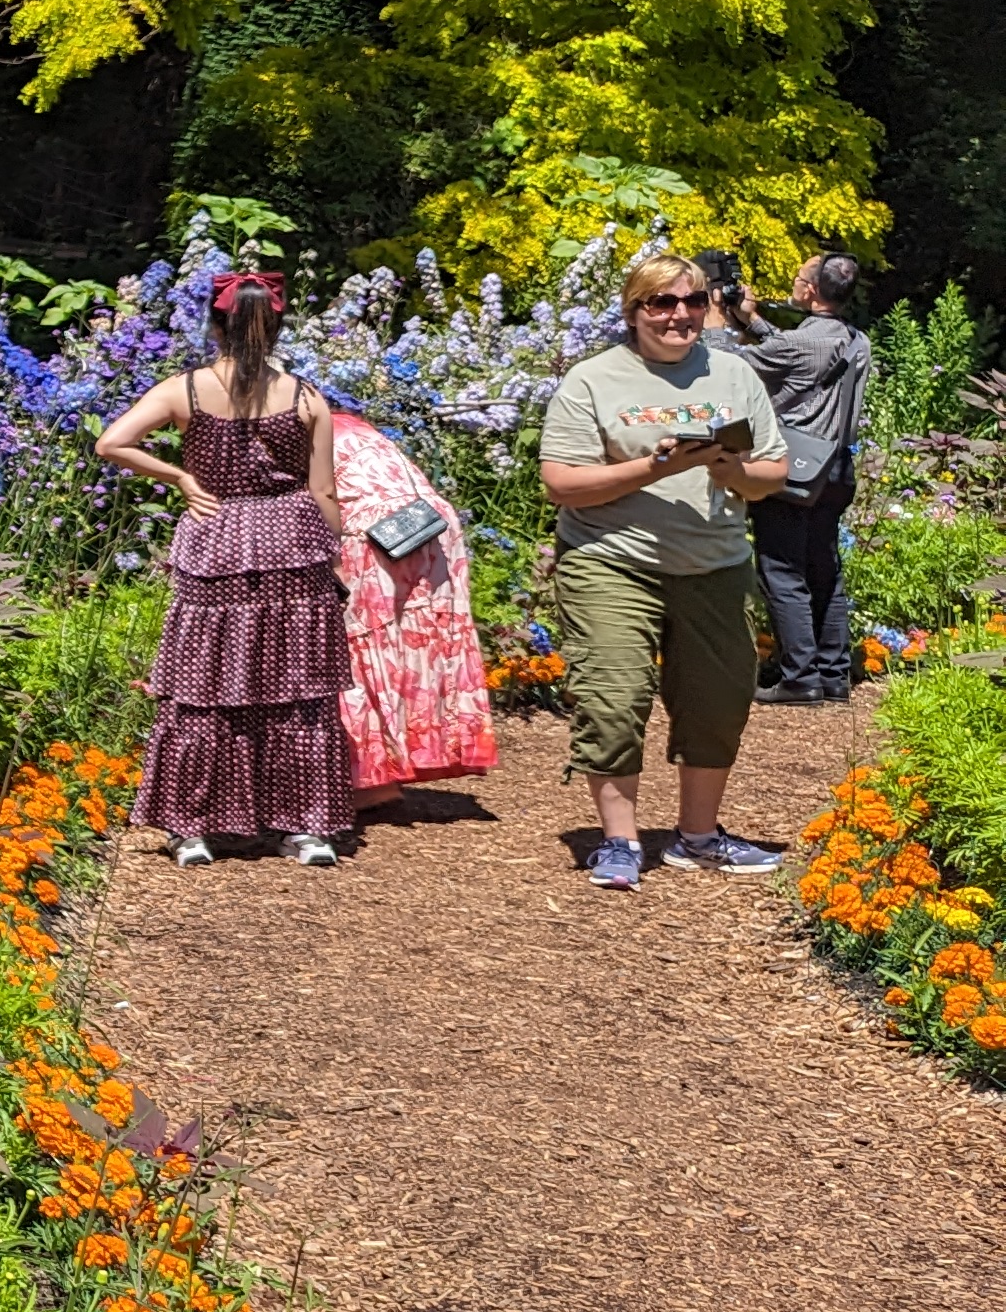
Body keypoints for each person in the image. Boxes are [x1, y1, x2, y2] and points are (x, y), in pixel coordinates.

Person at [537, 252, 793, 888]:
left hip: (713, 564)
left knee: (715, 701)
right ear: (634, 311)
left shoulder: (734, 374)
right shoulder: (593, 380)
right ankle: (620, 842)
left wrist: (727, 468)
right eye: (661, 303)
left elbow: (774, 472)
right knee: (614, 698)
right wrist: (659, 467)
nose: (679, 315)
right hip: (610, 562)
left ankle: (698, 837)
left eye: (693, 302)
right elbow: (562, 484)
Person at [96, 271, 352, 867]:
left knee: (204, 686)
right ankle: (305, 829)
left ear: (215, 326)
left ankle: (193, 829)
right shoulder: (307, 399)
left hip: (215, 543)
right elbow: (324, 493)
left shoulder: (183, 392)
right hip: (291, 543)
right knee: (298, 691)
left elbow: (112, 443)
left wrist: (181, 477)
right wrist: (333, 553)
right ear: (277, 327)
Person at [721, 251, 871, 704]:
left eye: (798, 277)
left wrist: (718, 316)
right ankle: (833, 675)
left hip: (797, 468)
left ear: (809, 290)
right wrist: (756, 320)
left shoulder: (800, 344)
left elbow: (734, 363)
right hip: (837, 469)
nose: (793, 281)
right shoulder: (856, 339)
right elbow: (795, 348)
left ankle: (799, 676)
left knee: (781, 569)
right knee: (824, 569)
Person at [326, 410, 498, 794]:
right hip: (429, 523)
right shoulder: (348, 423)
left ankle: (368, 782)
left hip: (371, 529)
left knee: (353, 643)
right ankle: (402, 763)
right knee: (420, 643)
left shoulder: (288, 425)